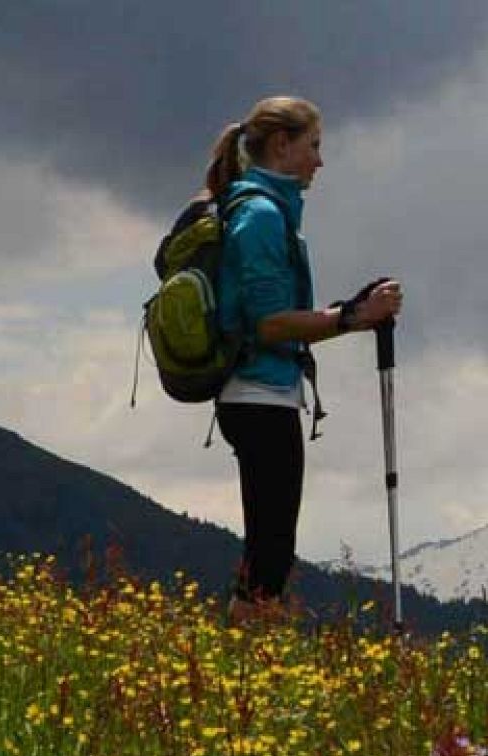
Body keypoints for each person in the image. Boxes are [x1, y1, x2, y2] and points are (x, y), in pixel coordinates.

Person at [204, 96, 404, 623]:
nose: (319, 160)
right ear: (281, 146)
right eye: (314, 146)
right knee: (270, 552)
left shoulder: (264, 212)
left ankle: (248, 655)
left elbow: (277, 319)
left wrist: (348, 313)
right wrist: (352, 317)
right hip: (258, 394)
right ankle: (250, 662)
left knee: (268, 547)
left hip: (258, 394)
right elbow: (270, 325)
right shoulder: (263, 217)